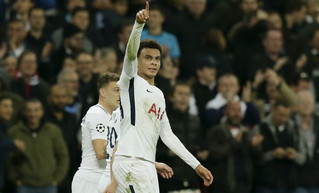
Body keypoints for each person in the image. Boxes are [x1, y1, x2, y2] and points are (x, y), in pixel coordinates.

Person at [106, 2, 213, 193]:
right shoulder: (130, 80)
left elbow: (168, 135)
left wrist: (196, 165)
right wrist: (138, 25)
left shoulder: (158, 94)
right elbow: (130, 53)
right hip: (128, 162)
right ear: (137, 62)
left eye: (157, 59)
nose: (154, 63)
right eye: (148, 58)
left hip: (147, 166)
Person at [71, 72, 121, 193]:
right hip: (90, 180)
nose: (120, 95)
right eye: (116, 90)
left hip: (102, 179)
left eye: (121, 91)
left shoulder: (113, 117)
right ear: (102, 92)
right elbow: (100, 152)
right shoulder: (97, 113)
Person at [7, 99, 69, 193]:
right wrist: (15, 179)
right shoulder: (14, 132)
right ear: (24, 112)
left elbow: (63, 156)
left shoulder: (53, 131)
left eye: (36, 110)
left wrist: (57, 179)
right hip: (24, 185)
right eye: (29, 110)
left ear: (42, 112)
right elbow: (7, 158)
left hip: (49, 185)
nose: (32, 114)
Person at [0, 95, 25, 192]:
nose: (9, 110)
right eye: (5, 106)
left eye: (11, 107)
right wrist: (13, 143)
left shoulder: (4, 127)